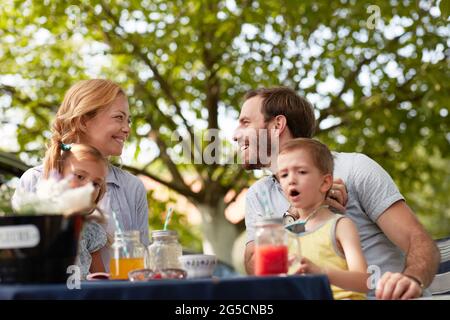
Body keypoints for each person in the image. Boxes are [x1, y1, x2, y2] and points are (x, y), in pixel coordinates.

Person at [233, 86, 440, 299]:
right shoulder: (259, 195)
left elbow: (419, 240)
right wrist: (294, 213)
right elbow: (255, 268)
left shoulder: (354, 168)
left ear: (277, 125)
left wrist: (411, 279)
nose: (234, 135)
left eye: (245, 122)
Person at [12, 79, 150, 270]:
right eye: (119, 117)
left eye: (129, 120)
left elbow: (143, 264)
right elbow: (17, 256)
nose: (127, 128)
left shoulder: (132, 187)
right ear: (83, 120)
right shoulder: (35, 180)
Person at [277, 138, 368, 300]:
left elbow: (364, 281)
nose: (291, 179)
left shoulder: (340, 225)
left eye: (302, 172)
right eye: (284, 174)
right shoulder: (286, 234)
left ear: (325, 182)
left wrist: (321, 273)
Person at [58, 143, 109, 279]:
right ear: (58, 174)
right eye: (80, 176)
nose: (89, 187)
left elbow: (101, 280)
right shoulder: (40, 223)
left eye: (95, 183)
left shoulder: (90, 230)